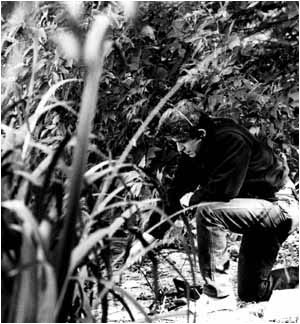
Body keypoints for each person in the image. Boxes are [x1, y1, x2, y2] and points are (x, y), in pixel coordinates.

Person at [129, 99, 299, 301]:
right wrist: (148, 237)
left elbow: (225, 190)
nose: (179, 148)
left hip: (279, 207)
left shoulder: (232, 139)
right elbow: (174, 194)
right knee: (252, 292)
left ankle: (217, 298)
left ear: (200, 135)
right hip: (253, 213)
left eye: (182, 143)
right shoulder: (192, 150)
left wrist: (193, 199)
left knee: (208, 210)